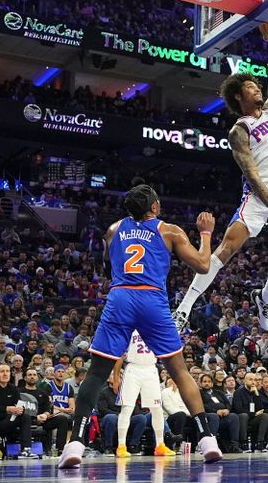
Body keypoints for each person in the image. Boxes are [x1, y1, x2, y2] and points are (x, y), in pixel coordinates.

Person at [57, 184, 222, 468]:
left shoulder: (113, 229)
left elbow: (108, 263)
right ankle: (207, 438)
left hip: (121, 296)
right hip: (152, 299)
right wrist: (206, 234)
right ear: (155, 207)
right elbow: (203, 265)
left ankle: (75, 444)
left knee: (96, 374)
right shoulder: (169, 230)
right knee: (179, 370)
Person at [173, 37, 268, 333]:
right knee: (227, 247)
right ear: (238, 98)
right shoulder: (240, 129)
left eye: (255, 85)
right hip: (260, 197)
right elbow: (252, 176)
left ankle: (265, 298)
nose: (256, 88)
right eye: (249, 87)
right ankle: (184, 308)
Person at [114, 330, 176, 457]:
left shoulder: (155, 327)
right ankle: (121, 446)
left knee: (157, 409)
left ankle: (160, 445)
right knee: (127, 408)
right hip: (133, 369)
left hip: (151, 370)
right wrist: (116, 377)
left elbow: (166, 351)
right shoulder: (130, 328)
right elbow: (119, 354)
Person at [21, 367, 69, 456]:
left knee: (63, 419)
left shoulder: (43, 393)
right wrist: (35, 418)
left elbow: (47, 408)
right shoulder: (19, 392)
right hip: (24, 420)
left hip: (42, 420)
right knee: (25, 418)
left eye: (34, 375)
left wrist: (45, 415)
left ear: (37, 378)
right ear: (25, 378)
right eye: (30, 375)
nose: (32, 377)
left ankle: (60, 449)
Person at [231, 372, 268, 452]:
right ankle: (244, 443)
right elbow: (238, 409)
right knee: (244, 415)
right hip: (241, 419)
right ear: (245, 381)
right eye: (250, 379)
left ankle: (260, 443)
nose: (253, 382)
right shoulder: (238, 392)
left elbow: (260, 408)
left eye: (255, 380)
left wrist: (256, 394)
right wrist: (254, 414)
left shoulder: (255, 392)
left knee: (264, 416)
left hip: (252, 419)